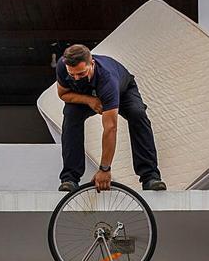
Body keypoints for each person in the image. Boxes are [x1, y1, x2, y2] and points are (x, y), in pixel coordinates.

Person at [54, 44, 166, 192]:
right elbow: (63, 94)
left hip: (123, 90)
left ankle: (150, 177)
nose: (76, 78)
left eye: (81, 74)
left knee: (137, 114)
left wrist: (105, 169)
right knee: (70, 117)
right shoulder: (63, 66)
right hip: (85, 95)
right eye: (72, 75)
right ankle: (70, 178)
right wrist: (89, 100)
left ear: (91, 64)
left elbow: (110, 128)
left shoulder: (108, 80)